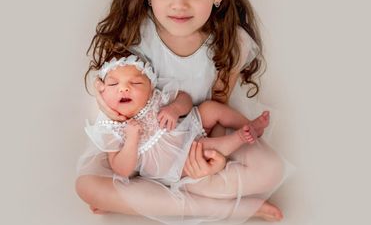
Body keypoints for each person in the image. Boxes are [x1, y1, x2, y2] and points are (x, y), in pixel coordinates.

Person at [76, 0, 290, 225]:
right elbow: (113, 101)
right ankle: (221, 207)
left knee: (271, 169)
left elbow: (218, 105)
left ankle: (157, 197)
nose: (179, 4)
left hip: (194, 141)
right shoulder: (135, 36)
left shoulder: (230, 44)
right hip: (140, 150)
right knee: (87, 186)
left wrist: (211, 160)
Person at [86, 53, 270, 186]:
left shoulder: (156, 99)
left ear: (150, 88)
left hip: (190, 128)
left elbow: (185, 99)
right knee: (205, 147)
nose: (124, 89)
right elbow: (121, 169)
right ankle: (239, 137)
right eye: (113, 84)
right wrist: (132, 139)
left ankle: (247, 123)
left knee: (209, 108)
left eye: (135, 83)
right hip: (180, 161)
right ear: (102, 93)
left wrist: (174, 109)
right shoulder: (111, 128)